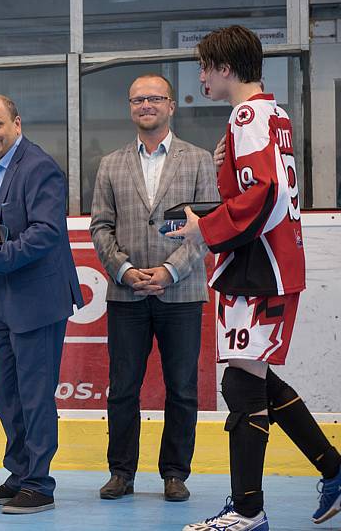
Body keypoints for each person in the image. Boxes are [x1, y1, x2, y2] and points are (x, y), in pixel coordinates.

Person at [174, 26, 341, 530]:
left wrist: (206, 229)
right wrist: (225, 170)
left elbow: (264, 194)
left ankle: (248, 509)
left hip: (259, 266)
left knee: (242, 381)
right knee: (255, 378)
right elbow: (258, 187)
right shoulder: (274, 113)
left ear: (225, 68)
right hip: (269, 262)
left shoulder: (247, 115)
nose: (200, 76)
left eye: (205, 66)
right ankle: (332, 469)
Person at [89, 74, 219, 503]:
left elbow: (207, 227)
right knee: (122, 387)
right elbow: (101, 227)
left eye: (155, 98)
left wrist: (168, 271)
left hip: (181, 292)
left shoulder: (200, 161)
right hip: (126, 293)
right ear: (130, 107)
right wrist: (124, 270)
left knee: (181, 387)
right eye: (138, 98)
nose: (146, 105)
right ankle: (121, 472)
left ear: (170, 106)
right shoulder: (110, 163)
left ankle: (175, 473)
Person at [0, 94, 84, 514]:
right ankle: (19, 474)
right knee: (7, 394)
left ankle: (39, 484)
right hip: (0, 298)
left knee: (35, 394)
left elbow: (46, 232)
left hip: (36, 300)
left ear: (16, 122)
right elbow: (1, 208)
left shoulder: (39, 165)